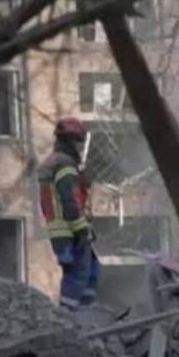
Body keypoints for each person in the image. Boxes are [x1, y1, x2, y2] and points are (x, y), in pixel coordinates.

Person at [37, 117, 100, 310]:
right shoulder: (65, 165)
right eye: (79, 141)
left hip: (62, 231)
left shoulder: (55, 163)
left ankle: (87, 312)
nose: (81, 147)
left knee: (92, 269)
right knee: (79, 274)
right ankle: (68, 315)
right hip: (70, 230)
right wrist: (81, 229)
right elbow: (69, 200)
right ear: (71, 141)